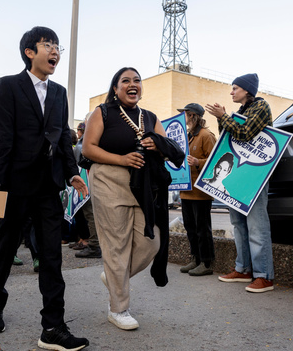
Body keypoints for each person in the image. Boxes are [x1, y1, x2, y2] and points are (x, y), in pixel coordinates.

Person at [0, 26, 89, 351]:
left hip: (48, 186)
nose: (55, 51)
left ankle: (53, 326)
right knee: (5, 249)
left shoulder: (58, 92)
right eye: (48, 45)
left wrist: (72, 173)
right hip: (15, 183)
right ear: (30, 51)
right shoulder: (8, 86)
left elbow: (63, 137)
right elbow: (2, 135)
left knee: (52, 256)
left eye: (58, 46)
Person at [82, 67, 183, 331]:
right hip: (109, 181)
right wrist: (122, 159)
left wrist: (156, 146)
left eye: (137, 80)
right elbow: (88, 148)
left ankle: (114, 277)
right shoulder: (102, 112)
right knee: (116, 246)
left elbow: (166, 149)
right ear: (115, 88)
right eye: (125, 80)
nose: (132, 84)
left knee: (151, 242)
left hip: (143, 185)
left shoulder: (150, 117)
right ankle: (118, 309)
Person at [206, 73, 274, 293]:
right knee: (238, 224)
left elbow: (244, 133)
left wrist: (224, 116)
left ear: (247, 90)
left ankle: (264, 276)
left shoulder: (260, 107)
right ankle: (243, 268)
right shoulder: (241, 112)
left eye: (235, 88)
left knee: (257, 225)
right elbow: (228, 138)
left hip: (254, 175)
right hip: (239, 174)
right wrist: (222, 118)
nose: (231, 92)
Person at [177, 103, 217, 276]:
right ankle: (196, 259)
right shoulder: (187, 135)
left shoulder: (206, 135)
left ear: (192, 116)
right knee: (190, 228)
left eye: (185, 115)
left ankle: (206, 263)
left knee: (202, 229)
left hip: (200, 193)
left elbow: (216, 161)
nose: (183, 118)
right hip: (186, 191)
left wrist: (198, 162)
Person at [73, 115, 102, 259]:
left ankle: (95, 246)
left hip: (91, 180)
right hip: (89, 179)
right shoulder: (92, 138)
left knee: (91, 214)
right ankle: (93, 244)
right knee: (89, 213)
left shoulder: (93, 138)